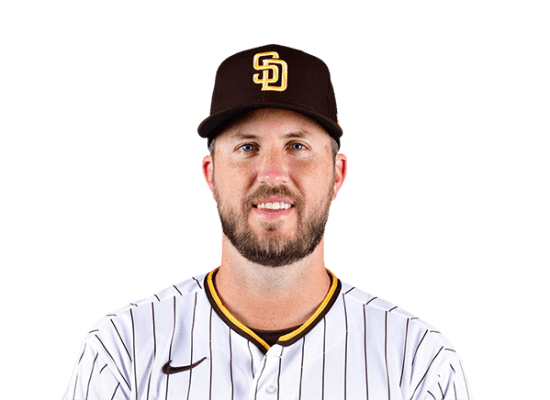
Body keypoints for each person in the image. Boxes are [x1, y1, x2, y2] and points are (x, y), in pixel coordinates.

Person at [62, 44, 473, 400]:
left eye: (297, 146)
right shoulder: (123, 348)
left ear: (337, 174)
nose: (273, 174)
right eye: (247, 147)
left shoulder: (417, 360)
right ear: (210, 174)